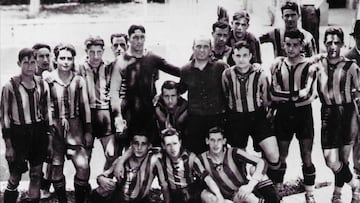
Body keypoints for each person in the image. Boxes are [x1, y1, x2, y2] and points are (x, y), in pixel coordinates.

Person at [110, 24, 180, 146]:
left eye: (142, 37)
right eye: (135, 37)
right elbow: (114, 92)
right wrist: (118, 117)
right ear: (129, 39)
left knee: (154, 147)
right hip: (128, 113)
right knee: (125, 151)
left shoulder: (152, 58)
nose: (139, 41)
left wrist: (164, 95)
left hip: (148, 111)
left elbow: (178, 71)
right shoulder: (120, 61)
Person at [222, 41, 281, 185]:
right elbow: (225, 95)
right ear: (233, 57)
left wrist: (268, 113)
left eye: (245, 55)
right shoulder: (227, 74)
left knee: (273, 154)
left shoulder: (259, 73)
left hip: (257, 117)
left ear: (250, 56)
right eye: (238, 55)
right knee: (239, 158)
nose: (241, 59)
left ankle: (271, 187)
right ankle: (244, 189)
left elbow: (266, 98)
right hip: (236, 118)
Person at [269, 30, 318, 202]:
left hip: (303, 116)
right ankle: (277, 191)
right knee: (281, 155)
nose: (291, 49)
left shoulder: (310, 66)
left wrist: (287, 97)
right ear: (283, 45)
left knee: (307, 155)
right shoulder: (277, 64)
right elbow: (273, 93)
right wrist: (295, 95)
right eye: (288, 44)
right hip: (283, 115)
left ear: (301, 45)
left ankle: (310, 194)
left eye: (295, 45)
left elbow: (309, 95)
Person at [1, 48, 52, 203]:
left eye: (32, 62)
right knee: (15, 176)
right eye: (25, 63)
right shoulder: (10, 86)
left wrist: (49, 141)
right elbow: (4, 117)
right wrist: (8, 145)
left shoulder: (42, 85)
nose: (29, 66)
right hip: (19, 135)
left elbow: (47, 115)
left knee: (36, 174)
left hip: (38, 133)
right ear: (19, 63)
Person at [45, 43, 93, 203]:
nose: (65, 62)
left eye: (69, 58)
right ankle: (62, 200)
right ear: (56, 59)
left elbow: (85, 106)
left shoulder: (78, 80)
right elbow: (43, 106)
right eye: (62, 58)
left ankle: (79, 200)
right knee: (56, 168)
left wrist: (88, 131)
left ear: (73, 60)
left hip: (75, 128)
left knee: (83, 166)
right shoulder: (48, 79)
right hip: (55, 129)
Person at [317, 27, 360, 203]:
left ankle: (337, 193)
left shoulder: (351, 66)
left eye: (336, 42)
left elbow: (359, 92)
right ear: (324, 44)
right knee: (331, 160)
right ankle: (356, 185)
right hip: (328, 112)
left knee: (343, 158)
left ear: (342, 43)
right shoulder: (318, 64)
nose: (333, 46)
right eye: (329, 42)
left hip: (348, 113)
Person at [199, 127, 280, 203]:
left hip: (244, 190)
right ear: (207, 141)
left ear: (224, 141)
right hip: (226, 198)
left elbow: (261, 162)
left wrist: (250, 185)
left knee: (254, 170)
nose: (215, 144)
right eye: (212, 140)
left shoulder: (233, 152)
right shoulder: (201, 159)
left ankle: (273, 200)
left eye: (219, 140)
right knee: (205, 194)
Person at [178, 35, 228, 154]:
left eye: (205, 47)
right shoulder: (185, 70)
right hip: (195, 120)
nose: (201, 50)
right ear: (193, 48)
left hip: (216, 118)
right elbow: (180, 90)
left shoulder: (220, 67)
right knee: (195, 154)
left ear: (211, 49)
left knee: (217, 153)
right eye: (198, 46)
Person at [90, 131, 170, 203]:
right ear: (131, 145)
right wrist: (101, 179)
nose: (139, 148)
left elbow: (164, 185)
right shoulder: (122, 161)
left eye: (143, 144)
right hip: (120, 198)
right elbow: (104, 175)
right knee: (101, 190)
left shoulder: (154, 161)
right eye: (136, 143)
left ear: (149, 146)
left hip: (140, 199)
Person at [77, 36, 119, 170]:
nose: (95, 56)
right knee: (85, 157)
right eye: (92, 52)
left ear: (103, 51)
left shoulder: (110, 66)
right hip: (85, 114)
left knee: (112, 154)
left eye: (99, 52)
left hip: (104, 113)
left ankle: (104, 184)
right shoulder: (79, 67)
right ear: (86, 51)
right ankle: (84, 187)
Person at [160, 128, 225, 203]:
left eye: (175, 143)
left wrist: (219, 196)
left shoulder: (191, 158)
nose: (172, 148)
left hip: (191, 194)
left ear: (180, 142)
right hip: (175, 195)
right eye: (168, 145)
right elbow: (164, 186)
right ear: (163, 146)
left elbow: (207, 179)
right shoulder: (161, 159)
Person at [345, 20, 360, 181]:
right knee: (356, 137)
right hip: (354, 104)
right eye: (359, 37)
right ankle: (358, 169)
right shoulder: (348, 58)